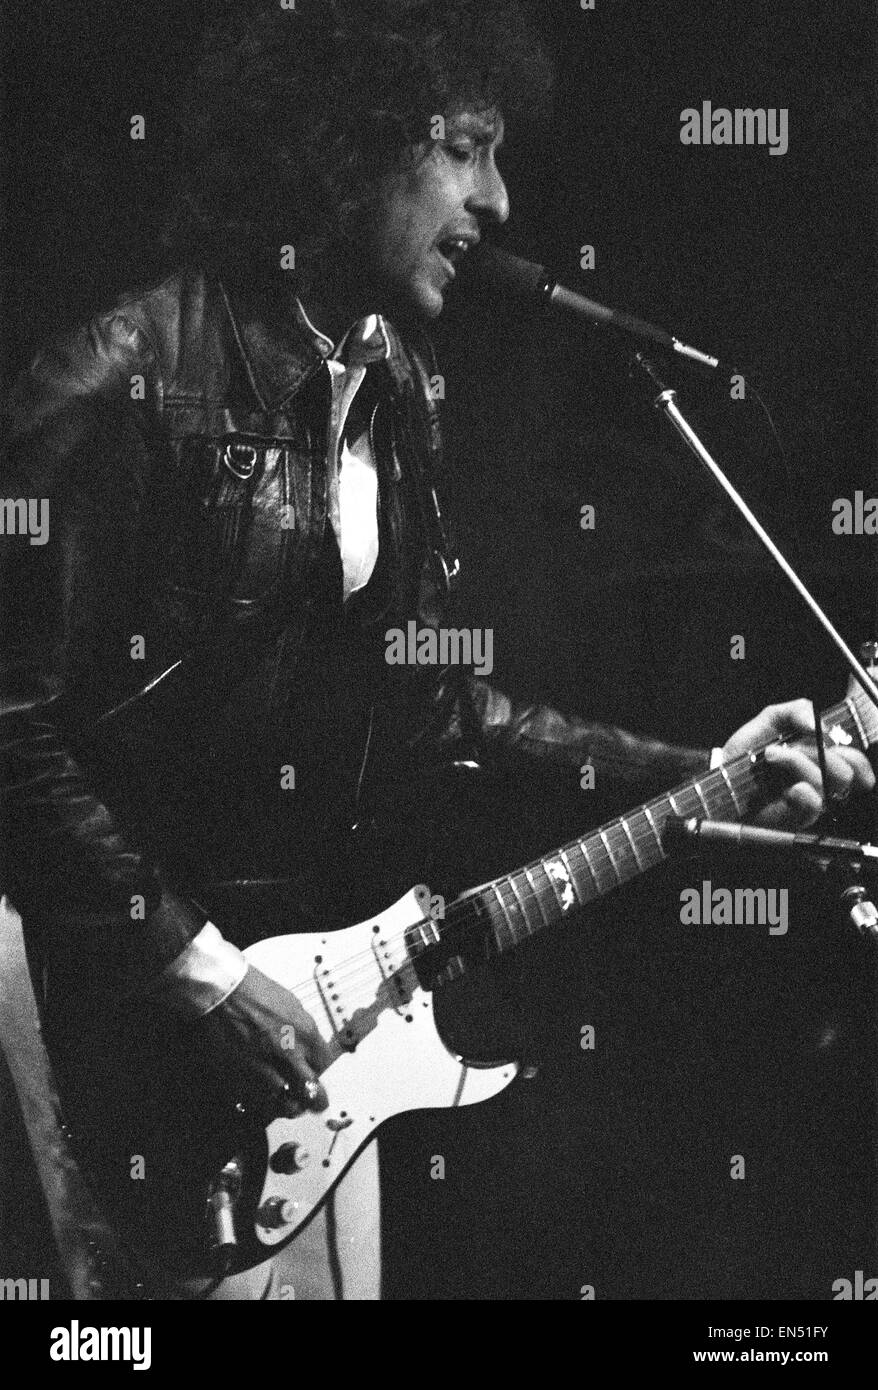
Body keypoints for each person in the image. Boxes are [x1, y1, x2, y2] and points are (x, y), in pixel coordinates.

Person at [0, 0, 872, 1300]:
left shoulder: (392, 381)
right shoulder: (126, 378)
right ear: (345, 143)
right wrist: (199, 974)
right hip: (126, 1035)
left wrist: (707, 764)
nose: (500, 200)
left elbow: (446, 712)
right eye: (466, 147)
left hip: (314, 1040)